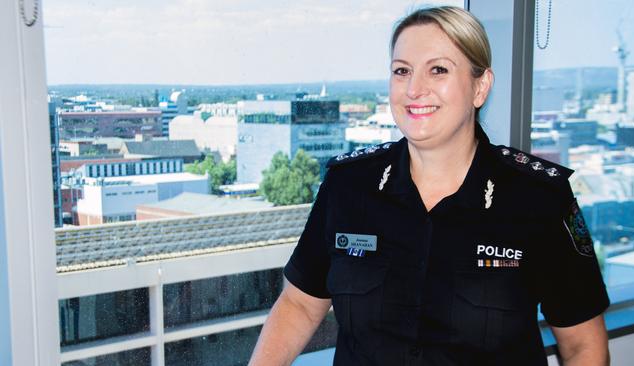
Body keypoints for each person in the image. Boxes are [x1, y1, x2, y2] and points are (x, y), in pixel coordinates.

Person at [249, 6, 610, 366]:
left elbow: (582, 345)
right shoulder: (348, 186)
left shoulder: (538, 198)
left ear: (480, 87)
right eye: (401, 71)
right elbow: (299, 305)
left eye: (438, 70)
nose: (414, 89)